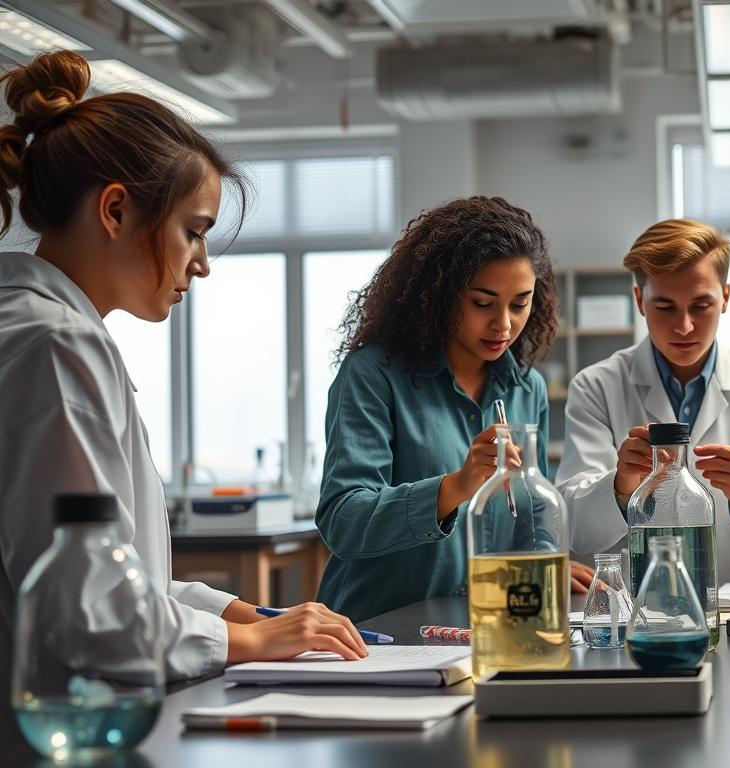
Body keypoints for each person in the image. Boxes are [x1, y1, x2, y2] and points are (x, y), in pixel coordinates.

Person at [0, 50, 369, 715]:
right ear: (115, 211)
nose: (201, 265)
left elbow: (120, 582)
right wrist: (250, 640)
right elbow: (91, 618)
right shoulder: (54, 345)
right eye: (193, 232)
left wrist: (244, 612)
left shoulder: (44, 328)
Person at [315, 196, 591, 622]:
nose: (503, 324)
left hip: (478, 631)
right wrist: (456, 486)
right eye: (483, 303)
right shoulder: (372, 375)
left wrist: (544, 565)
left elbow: (531, 515)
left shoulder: (527, 388)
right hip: (376, 635)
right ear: (439, 296)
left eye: (520, 303)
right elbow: (343, 520)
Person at [556, 219, 730, 582]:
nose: (684, 326)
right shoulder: (596, 387)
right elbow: (574, 530)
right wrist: (620, 487)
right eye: (665, 307)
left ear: (726, 298)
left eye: (701, 306)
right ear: (639, 300)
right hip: (634, 613)